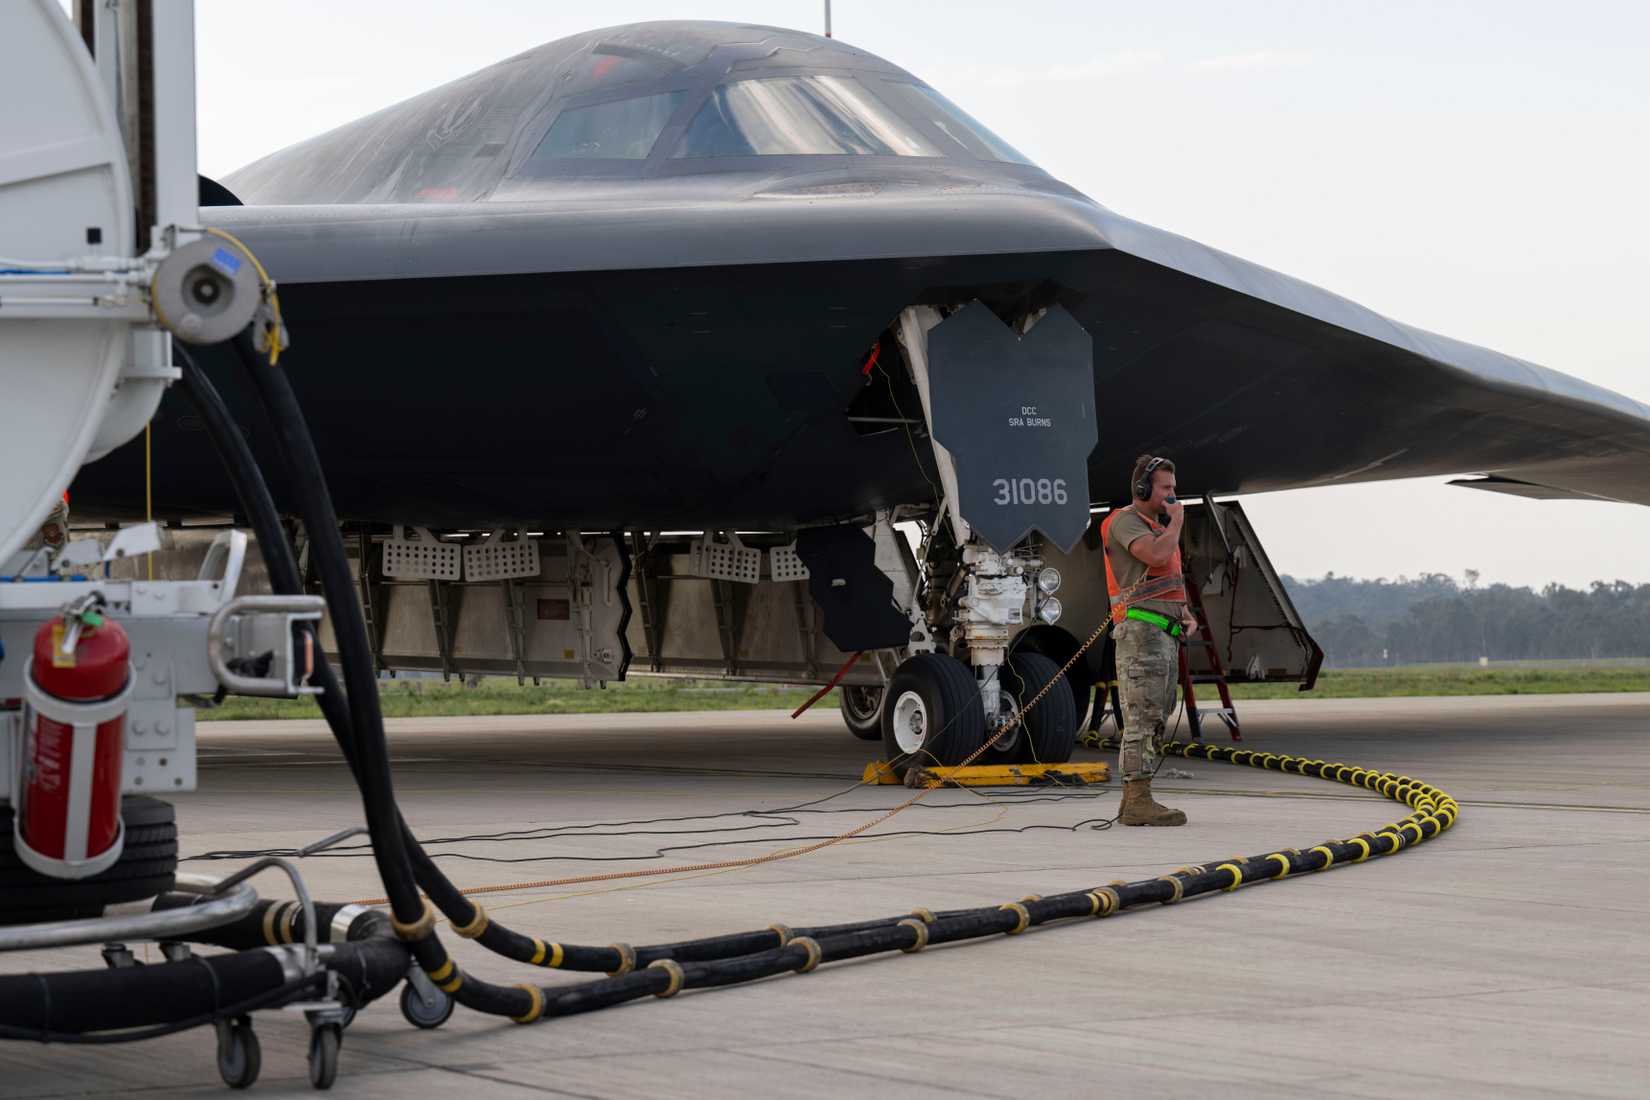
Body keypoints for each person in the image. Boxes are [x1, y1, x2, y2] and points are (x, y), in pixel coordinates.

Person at [1100, 455, 1197, 826]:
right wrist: (1177, 523)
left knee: (1157, 712)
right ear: (1143, 489)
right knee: (1141, 716)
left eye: (1174, 487)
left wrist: (1184, 612)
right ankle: (1138, 799)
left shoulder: (1157, 527)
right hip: (1141, 633)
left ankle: (1134, 800)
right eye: (1166, 488)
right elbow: (1155, 557)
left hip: (1163, 631)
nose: (1173, 494)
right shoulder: (1125, 522)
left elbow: (1170, 576)